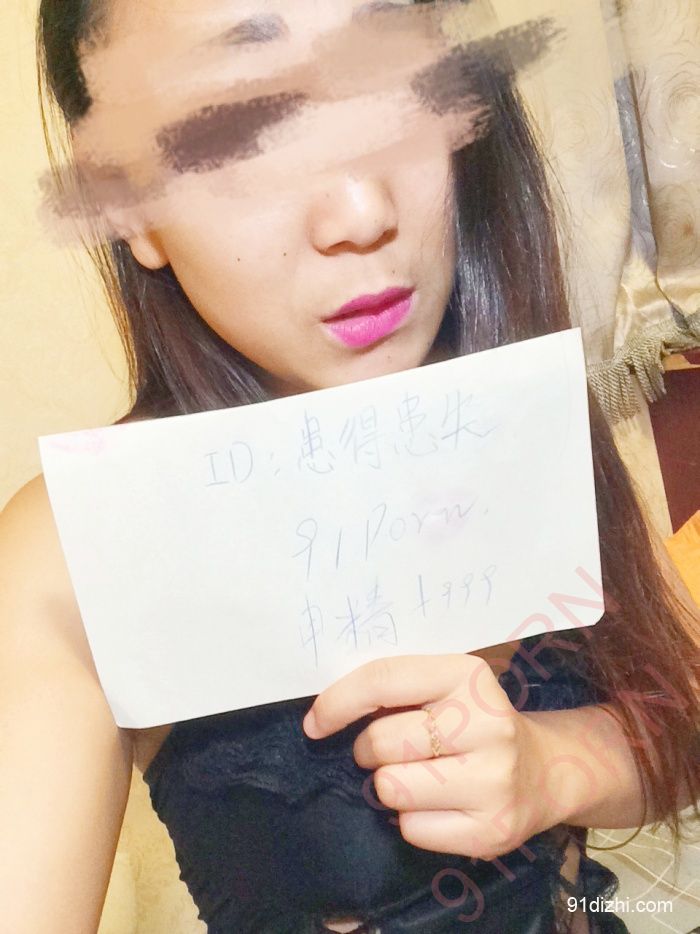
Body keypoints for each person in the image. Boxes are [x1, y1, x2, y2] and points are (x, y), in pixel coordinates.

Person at [0, 0, 697, 932]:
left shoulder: (512, 408)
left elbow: (679, 720)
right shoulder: (75, 554)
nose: (363, 214)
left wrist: (551, 767)